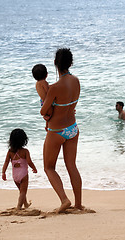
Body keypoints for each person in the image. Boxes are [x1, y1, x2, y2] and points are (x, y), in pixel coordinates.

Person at [40, 48, 83, 213]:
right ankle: (78, 204)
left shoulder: (55, 87)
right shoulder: (76, 81)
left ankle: (64, 200)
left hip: (57, 131)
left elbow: (44, 111)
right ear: (70, 63)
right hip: (72, 128)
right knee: (71, 165)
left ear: (55, 64)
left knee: (49, 167)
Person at [2, 128, 37, 210]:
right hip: (23, 174)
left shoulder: (10, 152)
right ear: (24, 140)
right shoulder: (25, 151)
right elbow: (29, 162)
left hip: (15, 175)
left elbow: (6, 162)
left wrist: (3, 172)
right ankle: (19, 207)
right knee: (23, 192)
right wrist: (34, 168)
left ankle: (26, 204)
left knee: (21, 191)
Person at [32, 64, 53, 131]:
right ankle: (47, 126)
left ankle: (47, 126)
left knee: (47, 115)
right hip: (46, 101)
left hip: (42, 101)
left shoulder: (37, 83)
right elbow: (48, 93)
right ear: (46, 74)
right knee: (50, 114)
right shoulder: (44, 82)